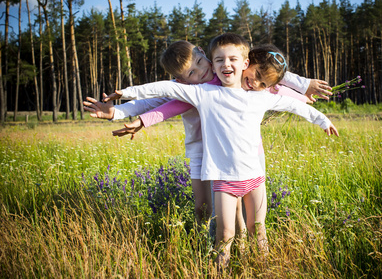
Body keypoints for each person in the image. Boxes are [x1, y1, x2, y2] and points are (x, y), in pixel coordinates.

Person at [93, 33, 339, 267]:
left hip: (249, 160)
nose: (202, 71)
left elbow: (270, 70)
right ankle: (210, 250)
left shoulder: (248, 83)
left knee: (252, 223)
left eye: (202, 62)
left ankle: (251, 256)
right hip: (210, 155)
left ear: (204, 54)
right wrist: (124, 108)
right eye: (192, 71)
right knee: (214, 217)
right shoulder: (201, 90)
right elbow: (162, 97)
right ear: (182, 78)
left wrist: (305, 89)